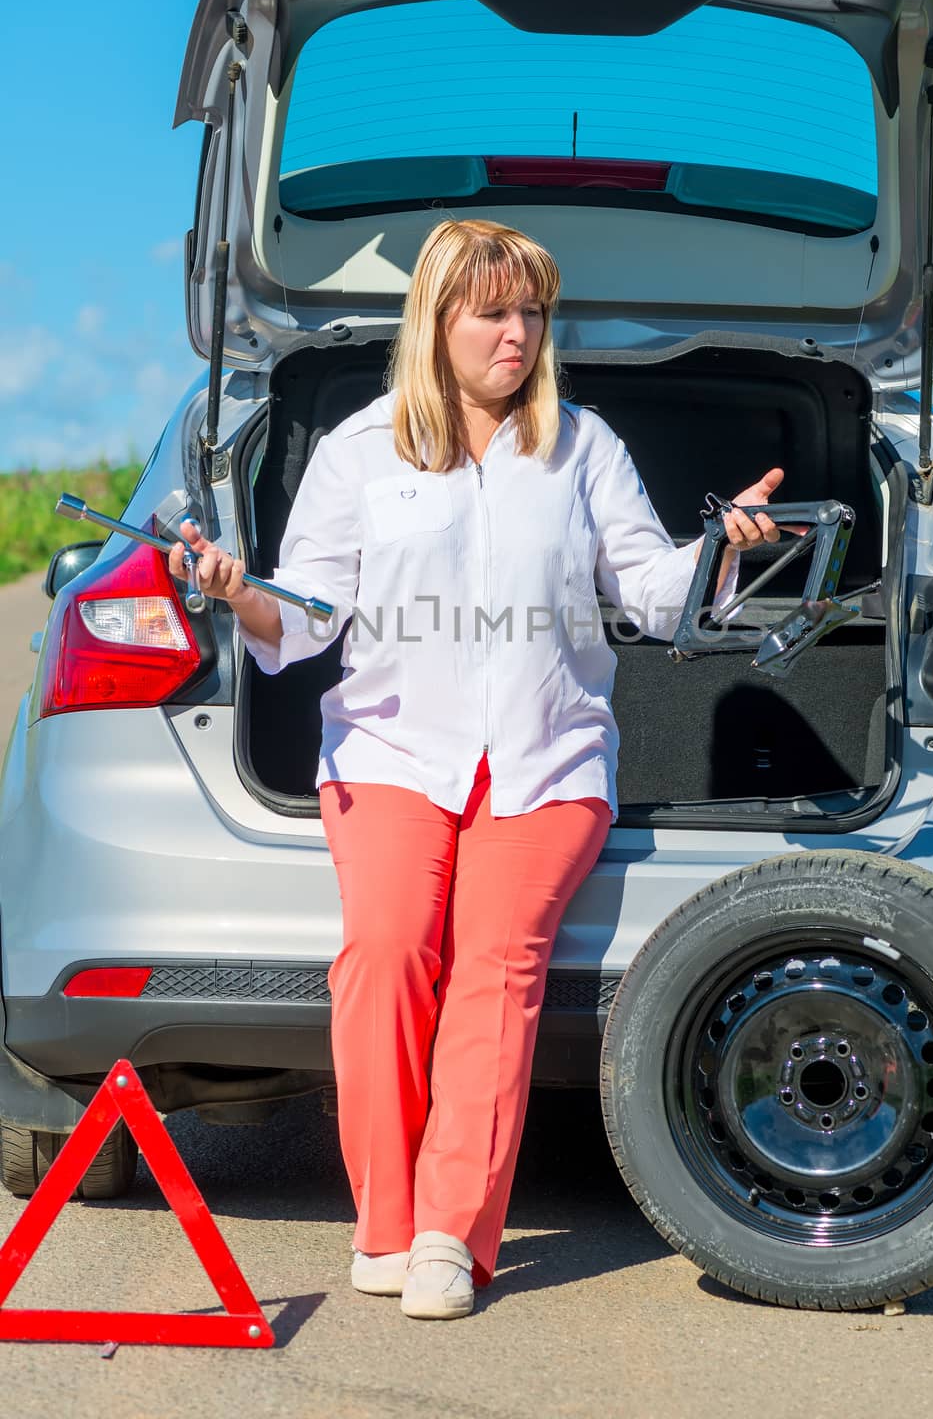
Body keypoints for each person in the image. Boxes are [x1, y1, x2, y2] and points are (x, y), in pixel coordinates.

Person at [168, 217, 787, 1320]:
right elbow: (303, 621)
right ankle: (386, 1223)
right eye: (494, 312)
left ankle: (453, 1233)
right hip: (393, 750)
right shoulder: (361, 450)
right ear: (437, 321)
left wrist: (726, 547)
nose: (519, 333)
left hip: (547, 763)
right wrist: (231, 587)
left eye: (533, 311)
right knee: (388, 953)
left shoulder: (582, 445)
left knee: (497, 967)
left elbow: (651, 591)